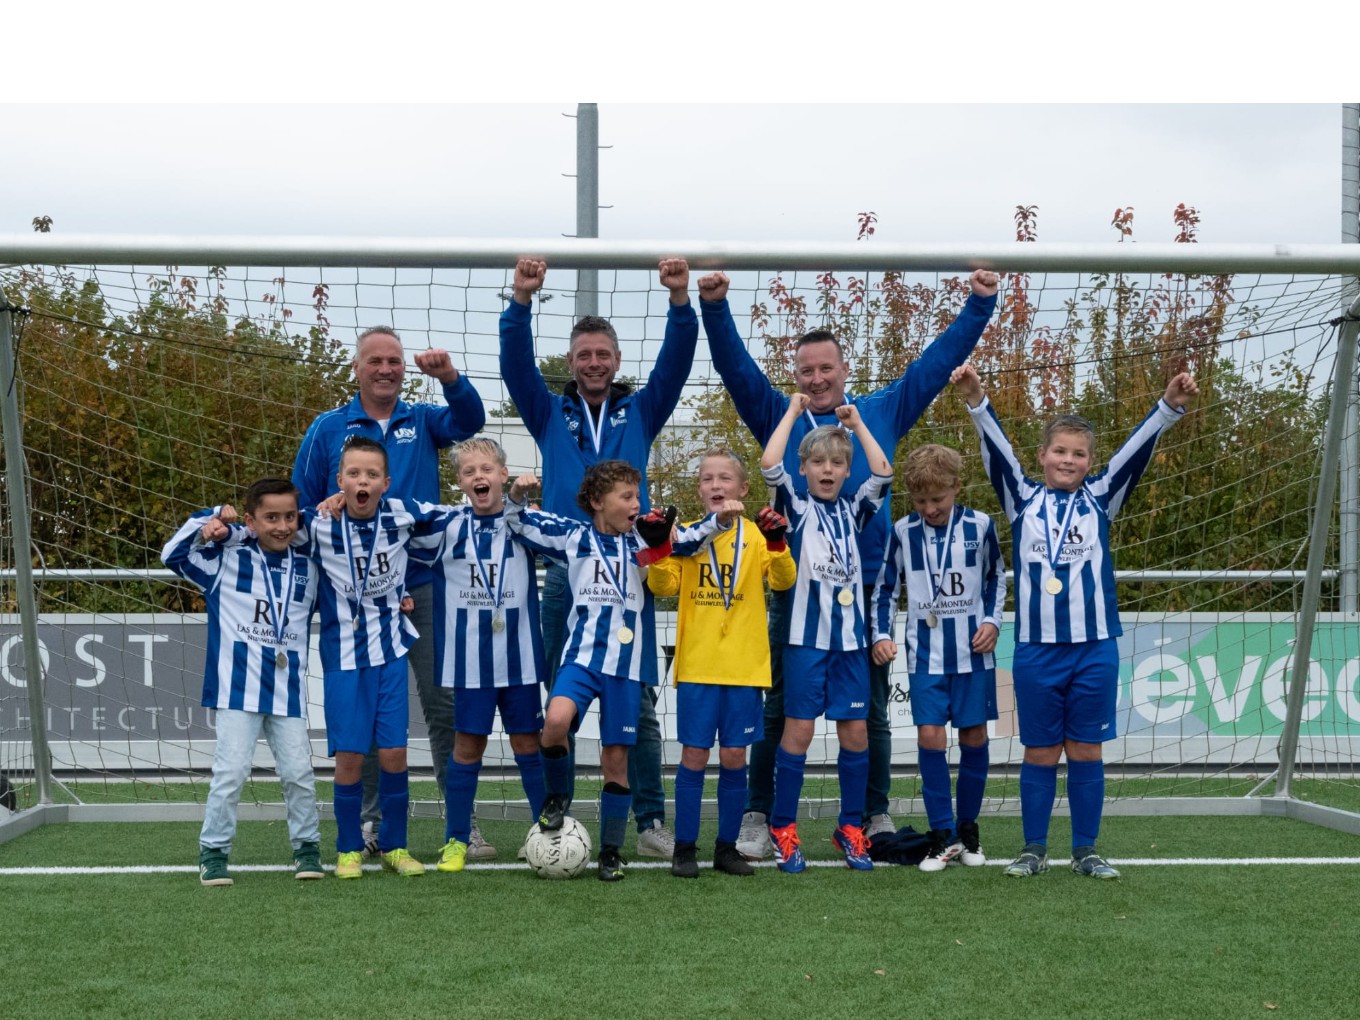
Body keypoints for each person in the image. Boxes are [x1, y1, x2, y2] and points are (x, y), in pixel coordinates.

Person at [697, 268, 999, 859]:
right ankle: (763, 813)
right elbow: (736, 370)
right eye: (806, 371)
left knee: (871, 712)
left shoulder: (878, 410)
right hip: (796, 587)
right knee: (783, 704)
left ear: (844, 370)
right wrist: (714, 307)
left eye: (825, 369)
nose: (816, 379)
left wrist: (980, 305)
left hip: (868, 592)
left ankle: (870, 812)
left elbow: (934, 366)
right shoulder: (780, 417)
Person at [951, 363, 1199, 878]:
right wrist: (977, 401)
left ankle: (1086, 849)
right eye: (1059, 451)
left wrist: (1169, 406)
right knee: (1040, 749)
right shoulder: (1022, 498)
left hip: (1095, 646)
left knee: (1086, 747)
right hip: (1038, 647)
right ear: (1042, 456)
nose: (1068, 460)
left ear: (1089, 461)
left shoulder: (1102, 496)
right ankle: (1033, 849)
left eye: (1079, 453)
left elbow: (1136, 453)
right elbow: (997, 450)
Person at [500, 257, 698, 858]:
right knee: (559, 698)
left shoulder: (641, 409)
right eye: (583, 354)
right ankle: (553, 815)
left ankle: (647, 821)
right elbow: (514, 368)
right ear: (570, 361)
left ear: (615, 361)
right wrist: (521, 302)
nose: (593, 363)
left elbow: (677, 363)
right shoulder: (548, 413)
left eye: (602, 354)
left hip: (631, 572)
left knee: (635, 701)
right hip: (565, 575)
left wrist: (680, 300)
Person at [292, 327, 491, 857]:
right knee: (372, 714)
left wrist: (449, 377)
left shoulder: (423, 419)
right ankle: (372, 824)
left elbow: (470, 423)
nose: (386, 369)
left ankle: (460, 823)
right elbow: (302, 502)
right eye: (375, 360)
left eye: (395, 361)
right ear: (356, 368)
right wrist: (322, 510)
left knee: (442, 702)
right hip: (357, 601)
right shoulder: (328, 427)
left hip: (424, 585)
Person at [502, 461, 692, 881]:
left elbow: (689, 540)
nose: (635, 504)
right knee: (554, 723)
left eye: (637, 496)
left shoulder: (644, 538)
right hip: (582, 658)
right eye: (626, 497)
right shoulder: (573, 537)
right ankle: (555, 798)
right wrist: (516, 495)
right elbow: (517, 522)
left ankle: (610, 850)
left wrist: (668, 541)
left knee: (616, 760)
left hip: (624, 669)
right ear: (596, 502)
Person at [307, 436, 459, 879]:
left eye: (372, 475)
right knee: (351, 757)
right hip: (343, 657)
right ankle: (349, 848)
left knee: (394, 752)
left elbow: (455, 516)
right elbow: (266, 523)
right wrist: (217, 518)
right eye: (353, 473)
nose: (362, 481)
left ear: (385, 483)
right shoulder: (317, 522)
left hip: (391, 649)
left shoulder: (402, 513)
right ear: (339, 481)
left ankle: (395, 845)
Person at [161, 478, 324, 887]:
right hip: (237, 691)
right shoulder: (225, 561)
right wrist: (211, 518)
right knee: (231, 773)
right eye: (270, 518)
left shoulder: (308, 565)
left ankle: (307, 847)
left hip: (287, 692)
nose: (282, 526)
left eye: (289, 517)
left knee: (299, 774)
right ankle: (213, 853)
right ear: (252, 520)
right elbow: (172, 554)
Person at [645, 447, 795, 878]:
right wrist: (658, 548)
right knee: (693, 755)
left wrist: (779, 542)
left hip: (745, 668)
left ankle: (726, 848)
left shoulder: (756, 534)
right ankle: (685, 848)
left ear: (743, 489)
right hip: (698, 665)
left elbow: (784, 580)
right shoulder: (688, 534)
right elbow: (665, 585)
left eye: (725, 478)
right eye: (707, 479)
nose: (716, 485)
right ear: (698, 489)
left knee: (733, 757)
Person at [760, 396, 894, 872]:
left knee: (856, 733)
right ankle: (783, 827)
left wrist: (855, 423)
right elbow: (769, 462)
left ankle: (850, 827)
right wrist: (794, 414)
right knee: (797, 731)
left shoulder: (854, 510)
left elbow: (883, 472)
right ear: (805, 469)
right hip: (805, 643)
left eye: (837, 463)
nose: (828, 469)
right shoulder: (794, 507)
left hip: (851, 646)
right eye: (817, 462)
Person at [407, 437, 547, 873]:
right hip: (469, 662)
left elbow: (570, 544)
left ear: (503, 474)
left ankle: (545, 832)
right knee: (467, 746)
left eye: (486, 468)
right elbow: (389, 534)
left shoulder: (525, 521)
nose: (478, 476)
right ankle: (457, 838)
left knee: (527, 742)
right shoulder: (445, 526)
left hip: (520, 657)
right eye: (469, 472)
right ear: (460, 483)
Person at [870, 444, 1005, 871]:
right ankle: (942, 833)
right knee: (930, 738)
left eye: (938, 499)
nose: (930, 508)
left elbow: (996, 579)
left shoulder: (981, 525)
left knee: (974, 739)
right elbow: (886, 590)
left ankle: (968, 829)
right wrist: (880, 634)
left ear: (956, 488)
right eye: (922, 500)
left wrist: (993, 622)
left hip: (974, 654)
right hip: (925, 654)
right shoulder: (902, 531)